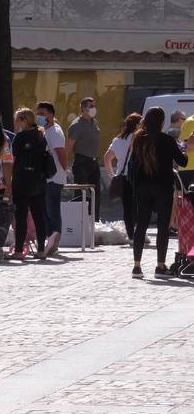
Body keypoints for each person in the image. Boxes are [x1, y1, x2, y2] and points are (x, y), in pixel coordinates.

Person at [129, 107, 187, 278]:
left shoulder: (138, 139)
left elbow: (133, 163)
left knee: (141, 225)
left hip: (142, 186)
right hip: (163, 186)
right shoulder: (168, 140)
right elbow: (182, 162)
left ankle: (137, 266)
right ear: (162, 122)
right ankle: (160, 266)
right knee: (163, 226)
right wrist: (184, 149)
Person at [10, 109, 52, 261]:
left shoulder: (19, 137)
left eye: (17, 120)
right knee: (39, 216)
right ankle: (41, 250)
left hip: (22, 180)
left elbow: (13, 159)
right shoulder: (41, 135)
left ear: (23, 120)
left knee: (20, 217)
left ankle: (19, 250)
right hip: (39, 180)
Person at [105, 113, 142, 241]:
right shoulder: (140, 138)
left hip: (123, 177)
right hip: (138, 177)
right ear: (138, 125)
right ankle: (139, 233)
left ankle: (131, 237)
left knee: (127, 208)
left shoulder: (118, 140)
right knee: (139, 206)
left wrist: (112, 175)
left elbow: (107, 158)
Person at [36, 101, 67, 256]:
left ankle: (55, 239)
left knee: (52, 209)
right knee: (45, 211)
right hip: (47, 178)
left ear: (51, 114)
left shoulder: (54, 131)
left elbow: (61, 153)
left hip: (54, 177)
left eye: (42, 114)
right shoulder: (45, 130)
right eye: (38, 114)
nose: (39, 117)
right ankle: (51, 239)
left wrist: (65, 171)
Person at [66, 97, 101, 198]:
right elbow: (68, 147)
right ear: (83, 108)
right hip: (82, 163)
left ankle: (95, 214)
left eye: (94, 106)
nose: (94, 108)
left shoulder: (94, 122)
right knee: (81, 194)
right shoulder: (76, 125)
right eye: (91, 106)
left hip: (94, 162)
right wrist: (65, 165)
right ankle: (82, 213)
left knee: (96, 193)